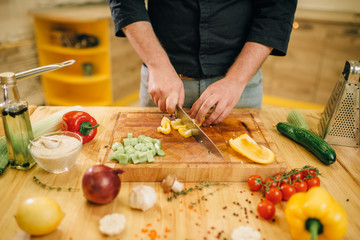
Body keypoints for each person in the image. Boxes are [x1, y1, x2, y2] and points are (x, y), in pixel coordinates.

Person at [108, 0, 297, 126]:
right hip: (164, 85)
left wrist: (236, 81)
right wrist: (158, 65)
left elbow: (277, 10)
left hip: (239, 87)